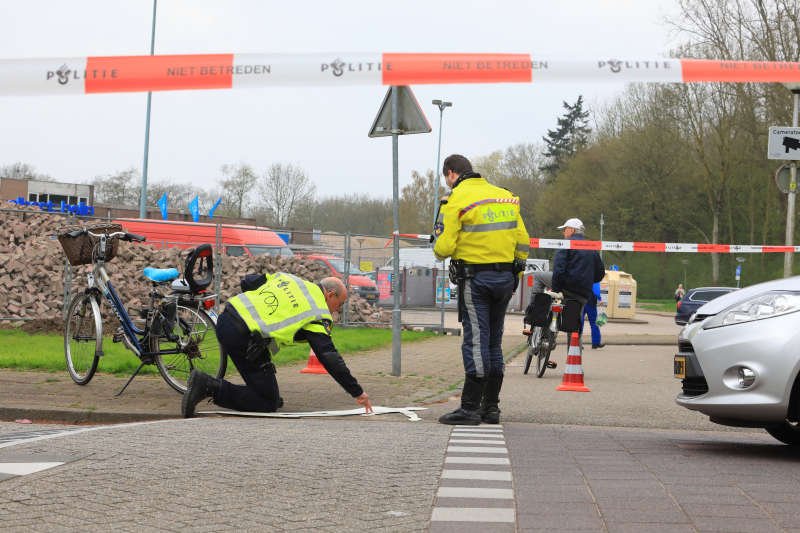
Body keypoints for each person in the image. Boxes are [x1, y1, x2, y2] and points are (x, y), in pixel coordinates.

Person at [181, 274, 373, 418]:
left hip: (226, 317)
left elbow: (248, 281)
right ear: (330, 295)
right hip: (241, 336)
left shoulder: (290, 279)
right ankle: (207, 386)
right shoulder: (318, 312)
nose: (338, 310)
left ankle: (261, 389)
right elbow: (328, 356)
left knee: (268, 392)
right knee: (268, 402)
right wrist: (357, 391)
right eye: (340, 304)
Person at [432, 154, 529, 425]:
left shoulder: (455, 200)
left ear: (451, 174)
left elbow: (442, 250)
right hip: (506, 278)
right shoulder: (505, 197)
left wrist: (441, 218)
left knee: (475, 340)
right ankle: (491, 408)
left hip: (476, 280)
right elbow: (523, 240)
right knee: (493, 342)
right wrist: (516, 273)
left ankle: (469, 408)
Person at [528, 218, 605, 364]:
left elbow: (558, 270)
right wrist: (585, 281)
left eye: (564, 229)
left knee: (538, 276)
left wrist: (556, 290)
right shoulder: (592, 247)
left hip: (565, 286)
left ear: (571, 230)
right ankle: (574, 364)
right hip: (582, 293)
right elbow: (600, 274)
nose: (563, 232)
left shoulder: (566, 244)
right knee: (574, 328)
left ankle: (533, 310)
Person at [581, 282, 605, 349]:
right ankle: (596, 343)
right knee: (594, 323)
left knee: (579, 323)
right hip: (590, 302)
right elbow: (596, 289)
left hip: (581, 301)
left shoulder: (582, 274)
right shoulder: (595, 277)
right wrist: (599, 299)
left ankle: (577, 343)